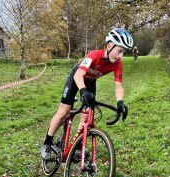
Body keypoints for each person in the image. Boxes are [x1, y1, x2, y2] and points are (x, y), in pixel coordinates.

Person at [41, 28, 133, 160]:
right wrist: (83, 91)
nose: (120, 56)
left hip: (90, 81)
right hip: (77, 76)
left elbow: (118, 85)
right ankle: (47, 143)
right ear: (109, 46)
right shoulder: (94, 55)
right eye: (119, 51)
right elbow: (79, 75)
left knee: (86, 117)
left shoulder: (118, 64)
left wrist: (120, 102)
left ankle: (76, 148)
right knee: (63, 112)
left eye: (123, 52)